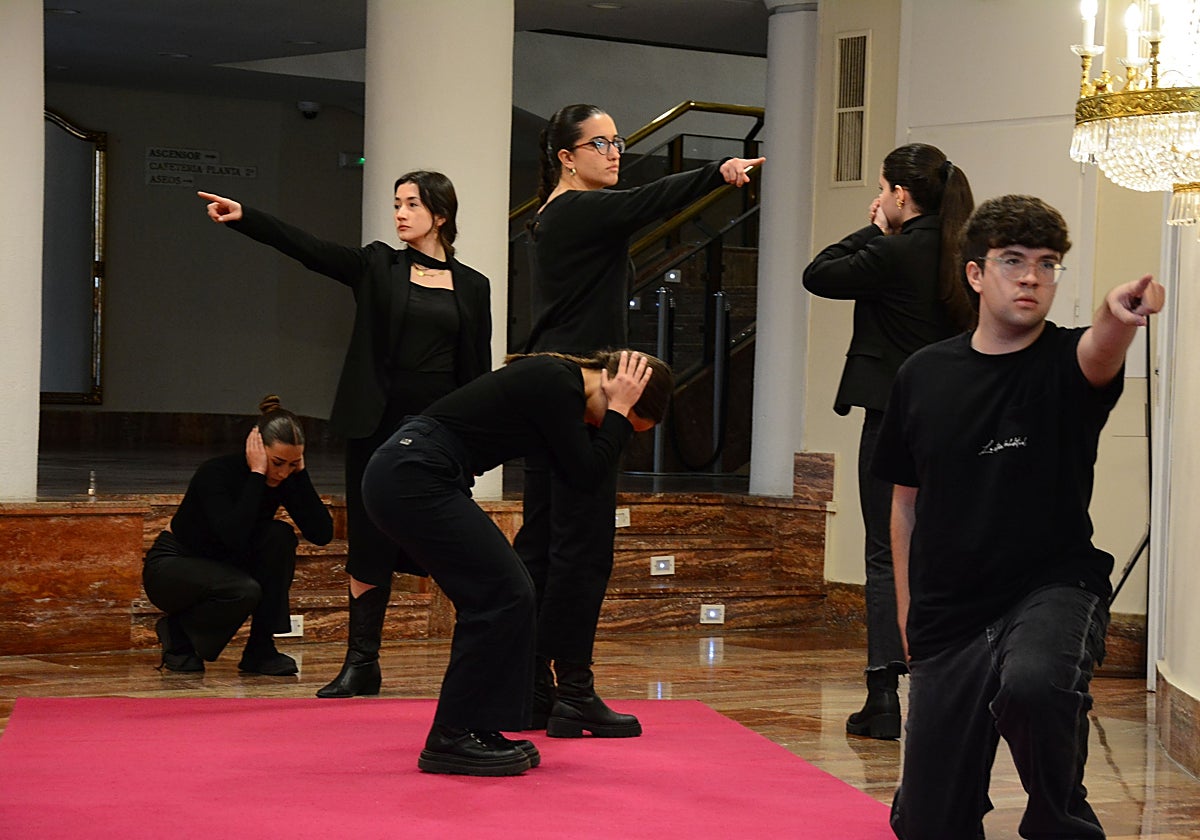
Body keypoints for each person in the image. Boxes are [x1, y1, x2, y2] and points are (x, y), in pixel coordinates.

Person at [872, 195, 1164, 838]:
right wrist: (905, 612)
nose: (1032, 276)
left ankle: (1060, 820)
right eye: (1012, 261)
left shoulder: (1067, 361)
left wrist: (1120, 314)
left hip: (1051, 586)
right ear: (976, 274)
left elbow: (1101, 349)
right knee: (930, 822)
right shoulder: (923, 376)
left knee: (1034, 683)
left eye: (1047, 263)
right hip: (949, 611)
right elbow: (904, 504)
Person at [515, 103, 764, 736]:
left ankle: (535, 688)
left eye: (619, 140)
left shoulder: (554, 219)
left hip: (554, 388)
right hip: (581, 392)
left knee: (546, 543)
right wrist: (719, 173)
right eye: (599, 143)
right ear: (566, 157)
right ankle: (570, 690)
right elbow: (648, 202)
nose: (615, 151)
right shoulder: (574, 210)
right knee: (580, 547)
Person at [197, 172, 491, 698]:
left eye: (411, 205)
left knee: (449, 538)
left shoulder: (473, 285)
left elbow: (476, 370)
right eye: (395, 203)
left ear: (440, 216)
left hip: (437, 431)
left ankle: (486, 656)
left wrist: (477, 441)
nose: (399, 213)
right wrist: (248, 218)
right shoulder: (377, 264)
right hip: (375, 426)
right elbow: (309, 249)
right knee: (370, 537)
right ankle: (362, 663)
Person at [362, 349, 672, 776]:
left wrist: (614, 412)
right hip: (412, 471)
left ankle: (476, 727)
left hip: (418, 473)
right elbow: (586, 473)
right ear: (613, 386)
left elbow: (585, 476)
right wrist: (618, 410)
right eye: (616, 417)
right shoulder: (554, 380)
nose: (602, 427)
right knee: (503, 594)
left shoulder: (561, 393)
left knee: (509, 592)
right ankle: (451, 736)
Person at [801, 143, 975, 740]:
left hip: (894, 421)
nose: (878, 199)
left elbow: (817, 273)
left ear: (901, 194)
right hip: (955, 423)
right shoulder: (963, 255)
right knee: (941, 552)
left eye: (882, 189)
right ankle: (946, 687)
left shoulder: (894, 250)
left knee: (886, 553)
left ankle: (882, 696)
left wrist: (871, 228)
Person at [143, 395, 334, 675]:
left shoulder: (287, 476)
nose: (282, 473)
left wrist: (301, 475)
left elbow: (322, 534)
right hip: (173, 567)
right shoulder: (216, 473)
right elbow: (232, 535)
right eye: (277, 462)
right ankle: (178, 634)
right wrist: (257, 474)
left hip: (223, 567)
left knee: (279, 535)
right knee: (243, 589)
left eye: (292, 464)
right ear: (256, 447)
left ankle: (260, 649)